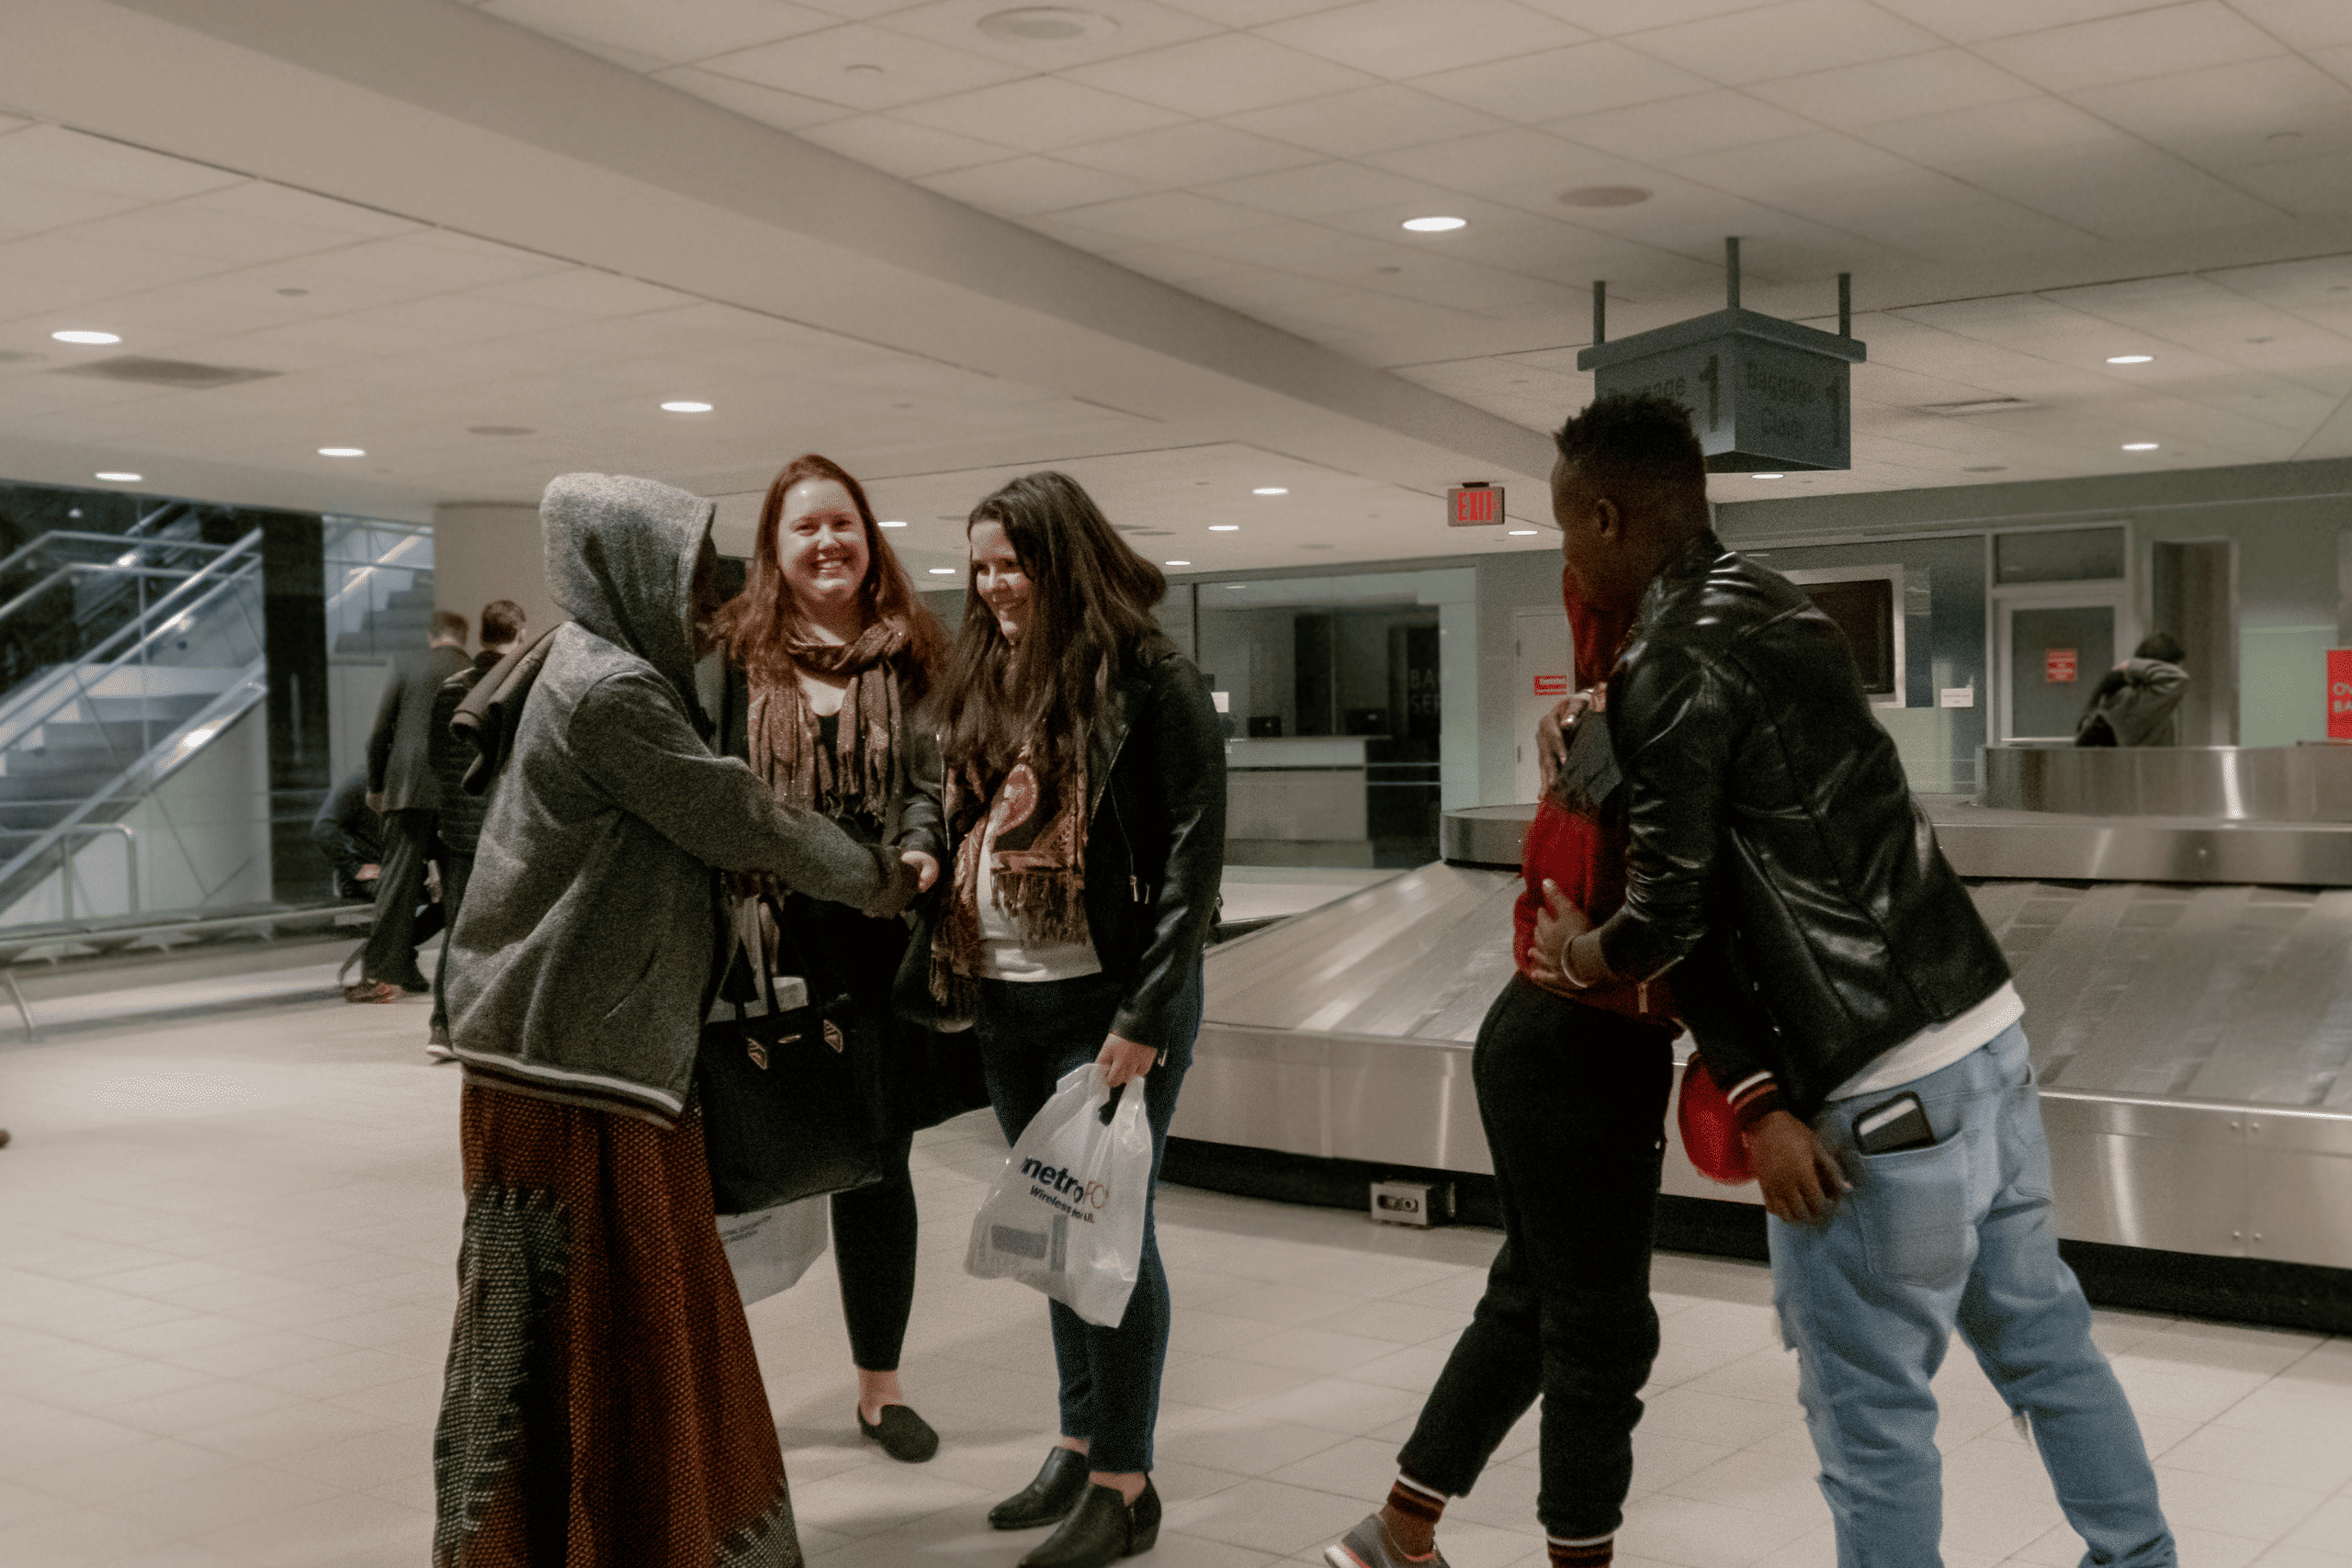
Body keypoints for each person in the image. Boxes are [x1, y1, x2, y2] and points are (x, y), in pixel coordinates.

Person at [1537, 394, 2176, 1568]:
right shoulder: (1783, 607)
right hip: (1984, 1032)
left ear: (1609, 517)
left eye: (1567, 530)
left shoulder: (1666, 662)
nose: (1566, 557)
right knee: (2047, 1344)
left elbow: (1673, 916)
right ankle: (2140, 1558)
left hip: (1872, 1093)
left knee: (1871, 1421)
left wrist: (1576, 954)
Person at [432, 472, 922, 1568]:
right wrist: (881, 878)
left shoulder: (572, 665)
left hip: (553, 1047)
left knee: (580, 1321)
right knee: (622, 1315)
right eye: (688, 575)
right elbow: (737, 815)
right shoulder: (610, 691)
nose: (705, 602)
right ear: (625, 571)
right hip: (578, 1059)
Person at [1324, 565, 1677, 1568]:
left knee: (1532, 1298)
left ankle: (1398, 1527)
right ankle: (1573, 1558)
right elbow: (1653, 923)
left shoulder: (1601, 722)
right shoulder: (1632, 733)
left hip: (1543, 1041)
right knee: (1601, 1335)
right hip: (1581, 1049)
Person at [930, 471, 1224, 1568]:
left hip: (1109, 1006)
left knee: (1105, 1238)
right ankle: (1074, 1439)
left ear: (1066, 559)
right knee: (1055, 1235)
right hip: (1007, 993)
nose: (996, 584)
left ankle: (1124, 1482)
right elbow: (945, 792)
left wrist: (1148, 1011)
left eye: (1015, 561)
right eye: (984, 564)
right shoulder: (984, 673)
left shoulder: (1151, 677)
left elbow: (1195, 861)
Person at [709, 454, 952, 1461]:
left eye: (842, 524)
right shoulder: (730, 657)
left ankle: (879, 1387)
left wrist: (920, 843)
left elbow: (933, 775)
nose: (826, 543)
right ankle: (717, 1396)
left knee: (876, 1166)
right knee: (737, 1161)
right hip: (759, 941)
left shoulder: (916, 654)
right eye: (804, 528)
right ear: (773, 548)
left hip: (882, 936)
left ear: (869, 535)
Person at [424, 599, 527, 1061]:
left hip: (455, 828)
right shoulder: (519, 684)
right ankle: (495, 1029)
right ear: (519, 634)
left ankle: (442, 1027)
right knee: (507, 931)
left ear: (483, 635)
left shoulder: (450, 687)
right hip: (503, 825)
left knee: (457, 929)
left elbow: (435, 754)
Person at [352, 610, 470, 1003]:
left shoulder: (409, 664)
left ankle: (384, 976)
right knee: (457, 888)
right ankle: (457, 980)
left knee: (398, 883)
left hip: (407, 789)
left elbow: (379, 732)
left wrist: (375, 786)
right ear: (462, 636)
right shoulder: (471, 670)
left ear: (431, 634)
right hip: (457, 792)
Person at [2075, 634, 2189, 747]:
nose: (2180, 669)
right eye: (2177, 665)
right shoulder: (2134, 699)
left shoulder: (2149, 702)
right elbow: (2178, 677)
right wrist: (2129, 664)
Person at [311, 768, 382, 902]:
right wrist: (355, 868)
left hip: (389, 874)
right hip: (367, 880)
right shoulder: (360, 781)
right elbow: (323, 828)